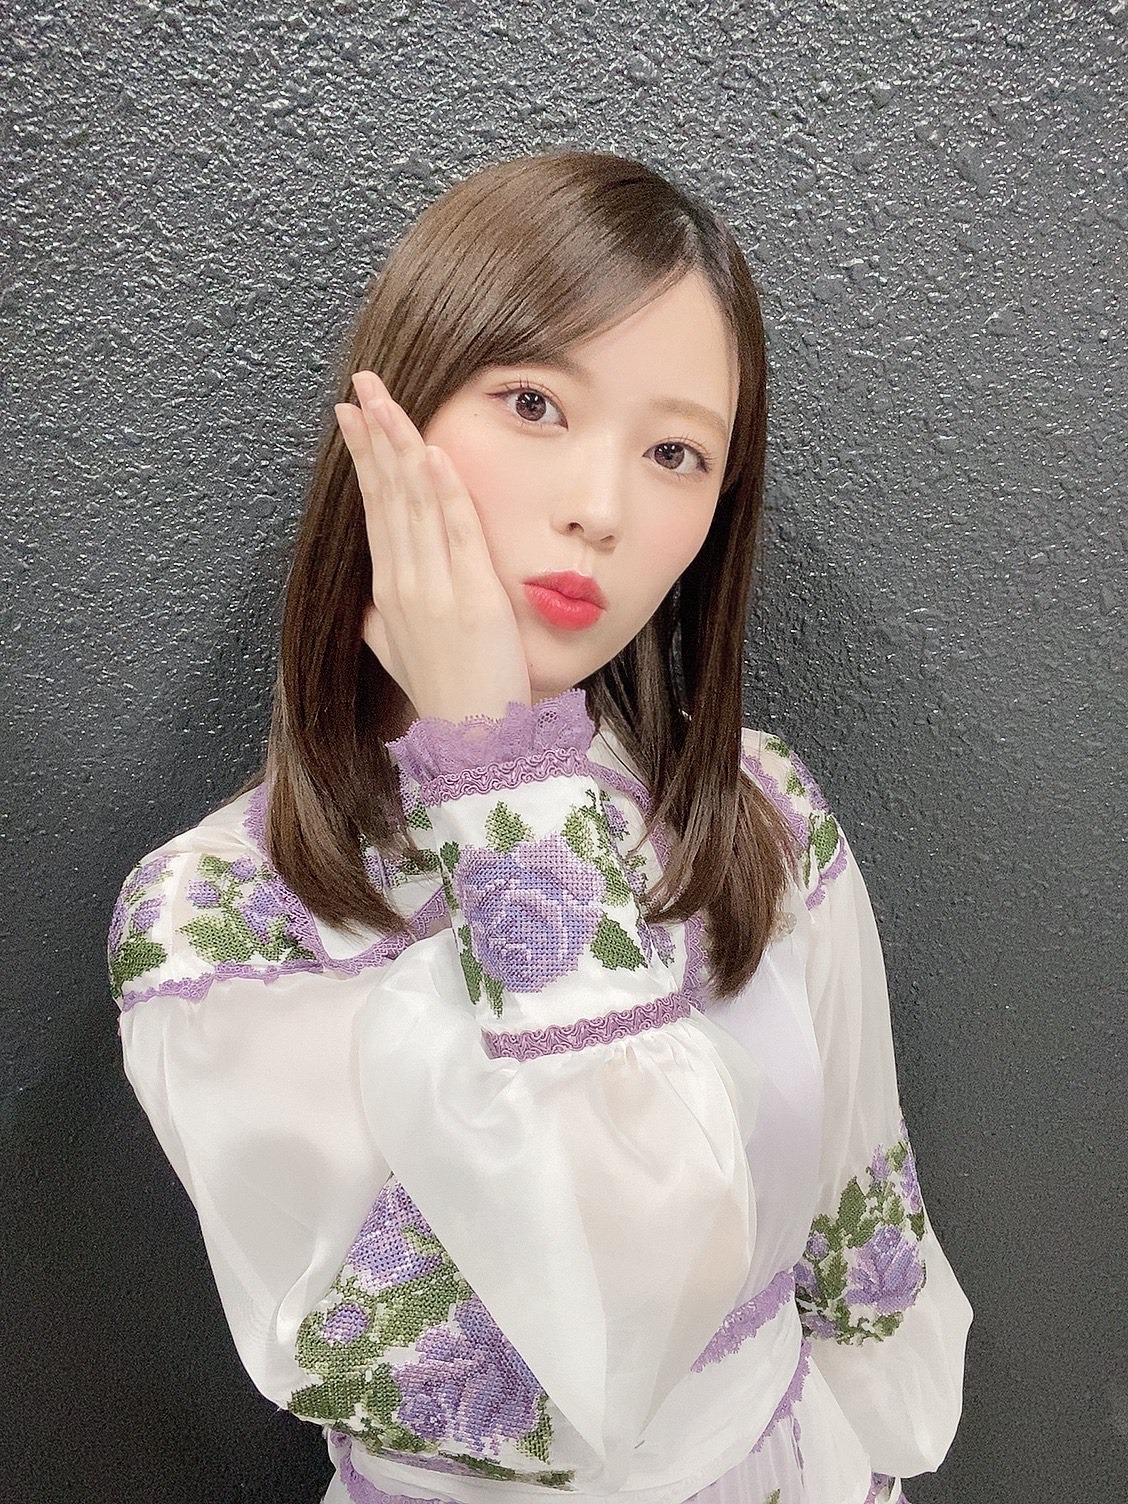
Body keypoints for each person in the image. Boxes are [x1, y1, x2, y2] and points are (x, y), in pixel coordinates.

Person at [108, 149, 972, 1504]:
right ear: (390, 413)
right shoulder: (219, 924)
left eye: (676, 453)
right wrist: (496, 774)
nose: (602, 509)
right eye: (533, 403)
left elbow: (857, 1233)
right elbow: (625, 1313)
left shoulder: (758, 815)